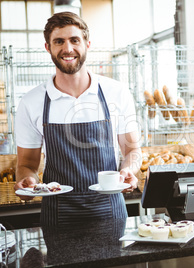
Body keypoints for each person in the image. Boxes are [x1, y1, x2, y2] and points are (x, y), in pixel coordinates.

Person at [14, 12, 141, 226]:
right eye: (59, 41)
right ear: (48, 47)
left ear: (87, 44)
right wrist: (29, 182)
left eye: (75, 40)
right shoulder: (31, 102)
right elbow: (26, 163)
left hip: (110, 211)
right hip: (57, 215)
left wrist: (128, 169)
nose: (68, 49)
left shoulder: (116, 93)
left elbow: (133, 151)